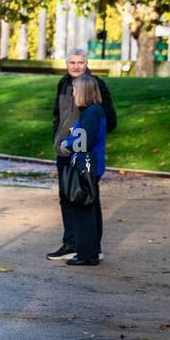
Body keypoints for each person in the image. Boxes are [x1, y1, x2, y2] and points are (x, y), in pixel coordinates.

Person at [48, 49, 116, 260]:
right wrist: (58, 138)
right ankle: (71, 243)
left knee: (88, 198)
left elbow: (109, 120)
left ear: (86, 64)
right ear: (66, 64)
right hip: (65, 149)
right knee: (66, 197)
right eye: (71, 62)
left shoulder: (94, 85)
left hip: (82, 150)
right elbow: (58, 115)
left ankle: (91, 246)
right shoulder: (63, 84)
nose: (76, 66)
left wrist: (86, 137)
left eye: (80, 62)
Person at [57, 75, 107, 266]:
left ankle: (87, 254)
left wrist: (66, 145)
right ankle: (90, 251)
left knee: (83, 206)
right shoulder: (92, 111)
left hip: (86, 165)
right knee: (87, 206)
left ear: (85, 91)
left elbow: (84, 140)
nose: (73, 93)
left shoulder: (92, 113)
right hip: (89, 163)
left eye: (76, 90)